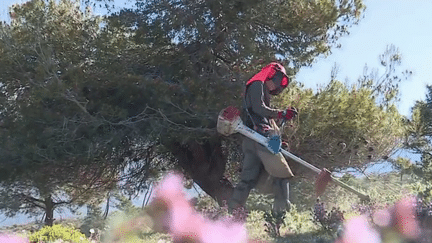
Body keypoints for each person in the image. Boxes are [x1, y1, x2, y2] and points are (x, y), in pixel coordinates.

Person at [228, 62, 298, 215]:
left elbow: (261, 115)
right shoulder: (257, 84)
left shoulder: (257, 87)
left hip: (251, 137)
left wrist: (279, 127)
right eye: (278, 80)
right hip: (261, 137)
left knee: (248, 178)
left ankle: (234, 212)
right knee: (281, 171)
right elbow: (259, 109)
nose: (278, 85)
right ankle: (281, 213)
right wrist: (281, 113)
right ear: (272, 74)